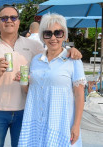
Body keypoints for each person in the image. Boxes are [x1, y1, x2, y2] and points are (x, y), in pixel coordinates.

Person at [0, 4, 82, 147]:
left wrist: (71, 49)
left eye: (13, 17)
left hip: (24, 111)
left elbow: (54, 48)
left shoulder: (34, 46)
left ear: (18, 21)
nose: (9, 20)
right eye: (4, 18)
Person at [18, 13, 86, 147]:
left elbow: (79, 95)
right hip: (36, 123)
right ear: (42, 37)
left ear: (64, 35)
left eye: (58, 33)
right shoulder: (36, 61)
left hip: (60, 124)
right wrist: (22, 82)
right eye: (48, 33)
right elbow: (29, 91)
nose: (53, 38)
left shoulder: (73, 60)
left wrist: (76, 125)